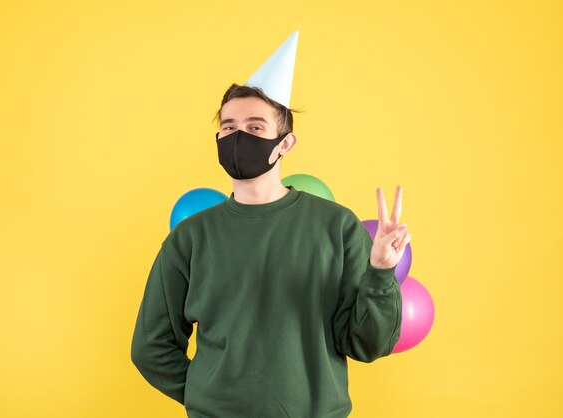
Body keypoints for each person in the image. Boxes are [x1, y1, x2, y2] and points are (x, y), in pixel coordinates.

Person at [131, 83, 410, 418]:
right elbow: (151, 346)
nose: (238, 136)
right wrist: (204, 396)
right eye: (229, 127)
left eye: (255, 127)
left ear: (285, 142)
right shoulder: (190, 237)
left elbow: (369, 344)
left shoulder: (336, 227)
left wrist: (380, 272)